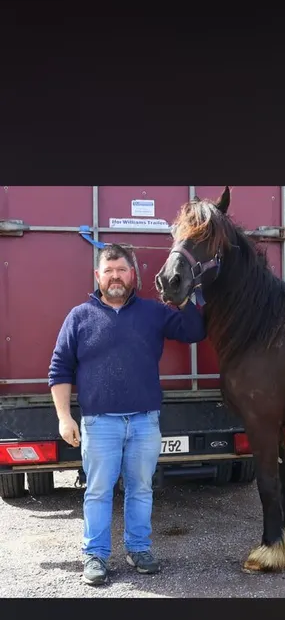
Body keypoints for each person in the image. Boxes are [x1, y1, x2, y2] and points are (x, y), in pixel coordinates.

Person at [48, 243, 205, 586]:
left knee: (140, 489)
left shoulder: (153, 312)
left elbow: (194, 331)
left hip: (144, 421)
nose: (115, 276)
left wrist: (184, 297)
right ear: (98, 276)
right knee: (98, 491)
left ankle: (138, 549)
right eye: (109, 270)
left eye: (122, 270)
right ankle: (96, 555)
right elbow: (59, 370)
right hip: (99, 423)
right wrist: (64, 417)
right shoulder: (79, 317)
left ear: (133, 275)